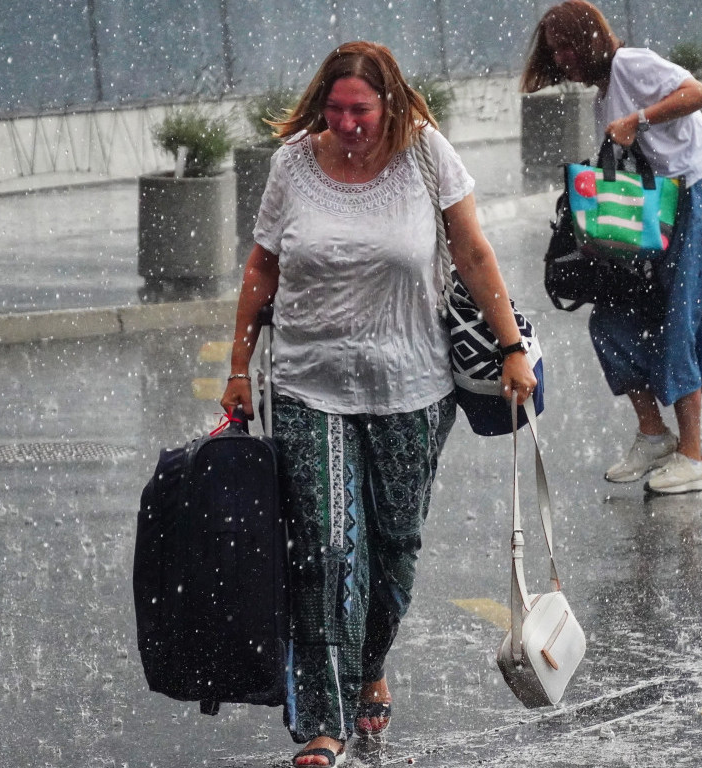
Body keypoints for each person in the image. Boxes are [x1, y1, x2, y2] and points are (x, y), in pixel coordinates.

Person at [220, 41, 538, 768]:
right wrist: (239, 366)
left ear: (387, 103)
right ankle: (324, 724)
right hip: (308, 384)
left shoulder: (427, 155)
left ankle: (369, 664)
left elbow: (474, 252)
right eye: (334, 110)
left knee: (394, 554)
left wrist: (512, 345)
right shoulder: (294, 163)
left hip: (411, 389)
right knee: (329, 552)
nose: (346, 124)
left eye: (358, 110)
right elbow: (262, 266)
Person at [521, 0, 702, 495]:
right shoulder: (602, 97)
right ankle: (654, 434)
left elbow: (698, 93)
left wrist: (640, 120)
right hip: (663, 210)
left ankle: (693, 457)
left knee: (679, 316)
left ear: (588, 39)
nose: (561, 59)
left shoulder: (632, 63)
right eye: (554, 50)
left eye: (566, 46)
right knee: (614, 319)